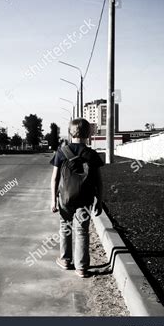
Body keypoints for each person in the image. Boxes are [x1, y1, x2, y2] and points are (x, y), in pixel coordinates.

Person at [49, 118, 104, 278]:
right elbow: (99, 181)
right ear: (88, 134)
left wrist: (53, 200)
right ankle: (82, 268)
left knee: (65, 227)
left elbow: (55, 179)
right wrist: (99, 201)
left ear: (70, 132)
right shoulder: (92, 154)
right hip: (85, 199)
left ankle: (65, 260)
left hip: (65, 198)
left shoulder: (61, 152)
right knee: (82, 231)